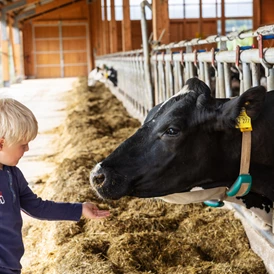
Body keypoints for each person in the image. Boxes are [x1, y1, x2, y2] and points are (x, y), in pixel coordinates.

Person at [0, 98, 110, 274]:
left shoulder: (13, 174)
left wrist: (79, 209)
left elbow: (37, 207)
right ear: (1, 143)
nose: (27, 149)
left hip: (11, 263)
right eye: (23, 144)